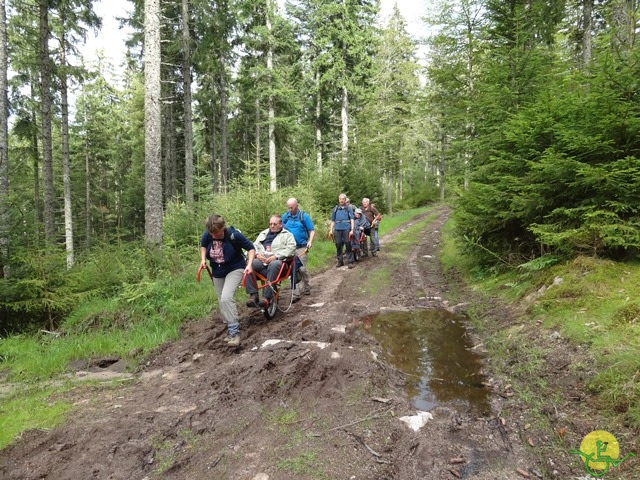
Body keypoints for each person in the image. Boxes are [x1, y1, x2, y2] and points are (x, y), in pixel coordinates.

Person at [200, 214, 256, 347]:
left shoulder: (234, 235)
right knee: (221, 300)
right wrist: (203, 260)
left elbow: (251, 248)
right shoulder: (208, 234)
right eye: (211, 233)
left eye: (217, 233)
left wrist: (249, 265)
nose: (214, 236)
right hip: (217, 270)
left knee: (226, 297)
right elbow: (203, 246)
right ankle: (229, 328)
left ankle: (234, 332)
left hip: (235, 268)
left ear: (223, 228)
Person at [245, 214, 297, 310]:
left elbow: (291, 249)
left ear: (281, 224)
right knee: (249, 263)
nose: (272, 226)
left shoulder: (287, 235)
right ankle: (253, 295)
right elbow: (253, 246)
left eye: (275, 224)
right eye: (270, 224)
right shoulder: (263, 233)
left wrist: (276, 256)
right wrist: (257, 255)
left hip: (279, 265)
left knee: (274, 264)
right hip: (262, 262)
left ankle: (267, 298)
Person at [281, 198, 315, 300]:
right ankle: (295, 294)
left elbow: (311, 230)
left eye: (292, 207)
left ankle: (307, 286)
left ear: (297, 206)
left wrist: (310, 241)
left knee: (302, 268)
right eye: (288, 207)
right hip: (289, 248)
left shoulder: (304, 216)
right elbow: (280, 228)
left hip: (302, 247)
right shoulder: (285, 217)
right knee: (292, 270)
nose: (290, 209)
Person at [329, 193, 355, 269]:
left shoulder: (348, 208)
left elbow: (352, 219)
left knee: (348, 244)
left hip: (346, 228)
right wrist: (331, 230)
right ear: (339, 200)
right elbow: (333, 220)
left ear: (345, 200)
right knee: (338, 244)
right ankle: (340, 261)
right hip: (337, 229)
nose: (341, 200)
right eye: (340, 199)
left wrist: (352, 230)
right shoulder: (335, 209)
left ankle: (350, 261)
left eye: (343, 199)